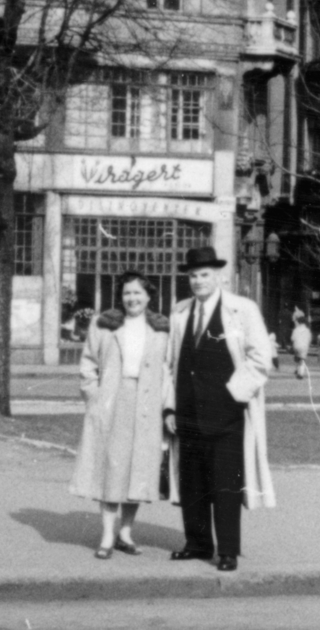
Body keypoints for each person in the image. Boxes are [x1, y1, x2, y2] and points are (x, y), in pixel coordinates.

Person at [164, 245, 274, 573]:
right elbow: (170, 364)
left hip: (227, 412)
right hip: (186, 412)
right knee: (192, 481)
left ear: (219, 277)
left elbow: (260, 358)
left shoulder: (242, 309)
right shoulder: (181, 312)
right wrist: (169, 408)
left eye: (205, 275)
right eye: (193, 275)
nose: (198, 281)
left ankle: (227, 550)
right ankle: (197, 543)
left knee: (226, 483)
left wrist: (233, 395)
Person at [70, 272, 171, 560]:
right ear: (121, 296)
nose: (132, 299)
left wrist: (165, 406)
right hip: (113, 401)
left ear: (148, 296)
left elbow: (168, 369)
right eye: (127, 293)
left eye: (138, 293)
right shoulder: (104, 325)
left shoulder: (161, 328)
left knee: (137, 469)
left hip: (147, 405)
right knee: (111, 467)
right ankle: (106, 534)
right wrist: (94, 396)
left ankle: (126, 532)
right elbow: (88, 363)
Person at [290, 312, 311, 380]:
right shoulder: (307, 330)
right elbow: (309, 339)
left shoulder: (296, 330)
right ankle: (300, 374)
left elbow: (292, 338)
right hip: (304, 346)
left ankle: (297, 370)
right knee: (302, 360)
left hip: (296, 346)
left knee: (297, 358)